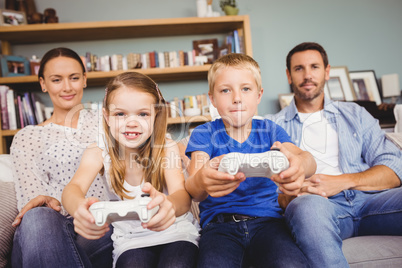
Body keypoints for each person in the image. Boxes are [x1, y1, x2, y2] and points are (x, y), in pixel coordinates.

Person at [271, 42, 402, 267]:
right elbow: (269, 191)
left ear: (327, 71)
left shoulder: (355, 114)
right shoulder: (274, 126)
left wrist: (341, 182)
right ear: (289, 75)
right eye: (299, 68)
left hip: (373, 202)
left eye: (314, 67)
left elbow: (394, 166)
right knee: (305, 208)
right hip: (319, 207)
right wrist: (289, 196)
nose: (307, 75)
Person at [185, 53, 316, 267]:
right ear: (212, 98)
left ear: (258, 95)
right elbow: (193, 188)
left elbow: (306, 159)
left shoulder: (271, 130)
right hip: (219, 228)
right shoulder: (204, 133)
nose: (237, 97)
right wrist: (202, 180)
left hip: (269, 225)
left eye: (245, 89)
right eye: (226, 90)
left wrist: (300, 165)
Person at [61, 72, 199, 268]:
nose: (131, 122)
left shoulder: (166, 147)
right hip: (131, 240)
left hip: (176, 233)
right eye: (120, 114)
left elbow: (182, 197)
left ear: (156, 115)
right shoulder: (99, 151)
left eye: (143, 114)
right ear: (107, 117)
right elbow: (72, 188)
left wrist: (169, 205)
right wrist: (78, 208)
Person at [10, 47, 114, 267]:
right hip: (47, 229)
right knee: (38, 217)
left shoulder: (107, 122)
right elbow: (33, 202)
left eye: (74, 78)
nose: (67, 87)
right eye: (56, 80)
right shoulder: (27, 137)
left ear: (84, 79)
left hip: (97, 226)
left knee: (103, 223)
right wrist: (54, 203)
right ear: (43, 84)